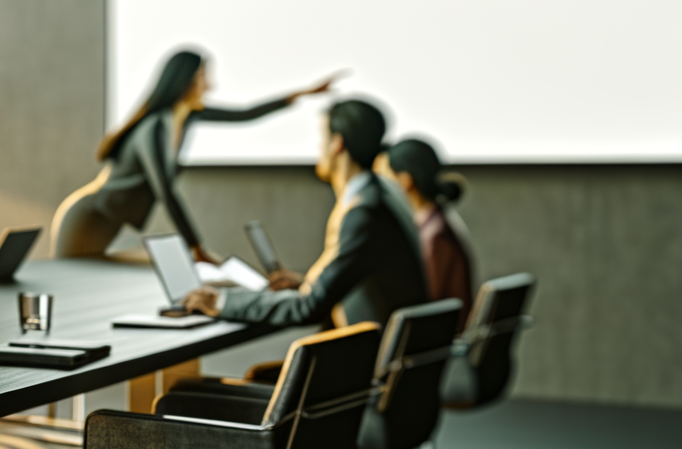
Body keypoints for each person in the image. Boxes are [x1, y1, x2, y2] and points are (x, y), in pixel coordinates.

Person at [53, 48, 340, 260]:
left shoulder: (187, 117)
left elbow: (245, 114)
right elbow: (165, 190)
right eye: (204, 76)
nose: (209, 85)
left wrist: (303, 93)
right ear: (186, 80)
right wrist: (196, 246)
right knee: (72, 284)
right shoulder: (152, 128)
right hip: (88, 216)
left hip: (110, 220)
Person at [177, 98, 429, 332]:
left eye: (322, 139)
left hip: (371, 364)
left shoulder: (364, 212)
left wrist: (219, 301)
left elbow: (307, 308)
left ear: (337, 144)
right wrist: (306, 284)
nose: (319, 149)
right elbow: (355, 278)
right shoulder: (384, 194)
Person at [376, 137, 476, 323]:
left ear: (405, 181)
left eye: (385, 179)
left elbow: (426, 301)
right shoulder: (437, 221)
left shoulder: (433, 235)